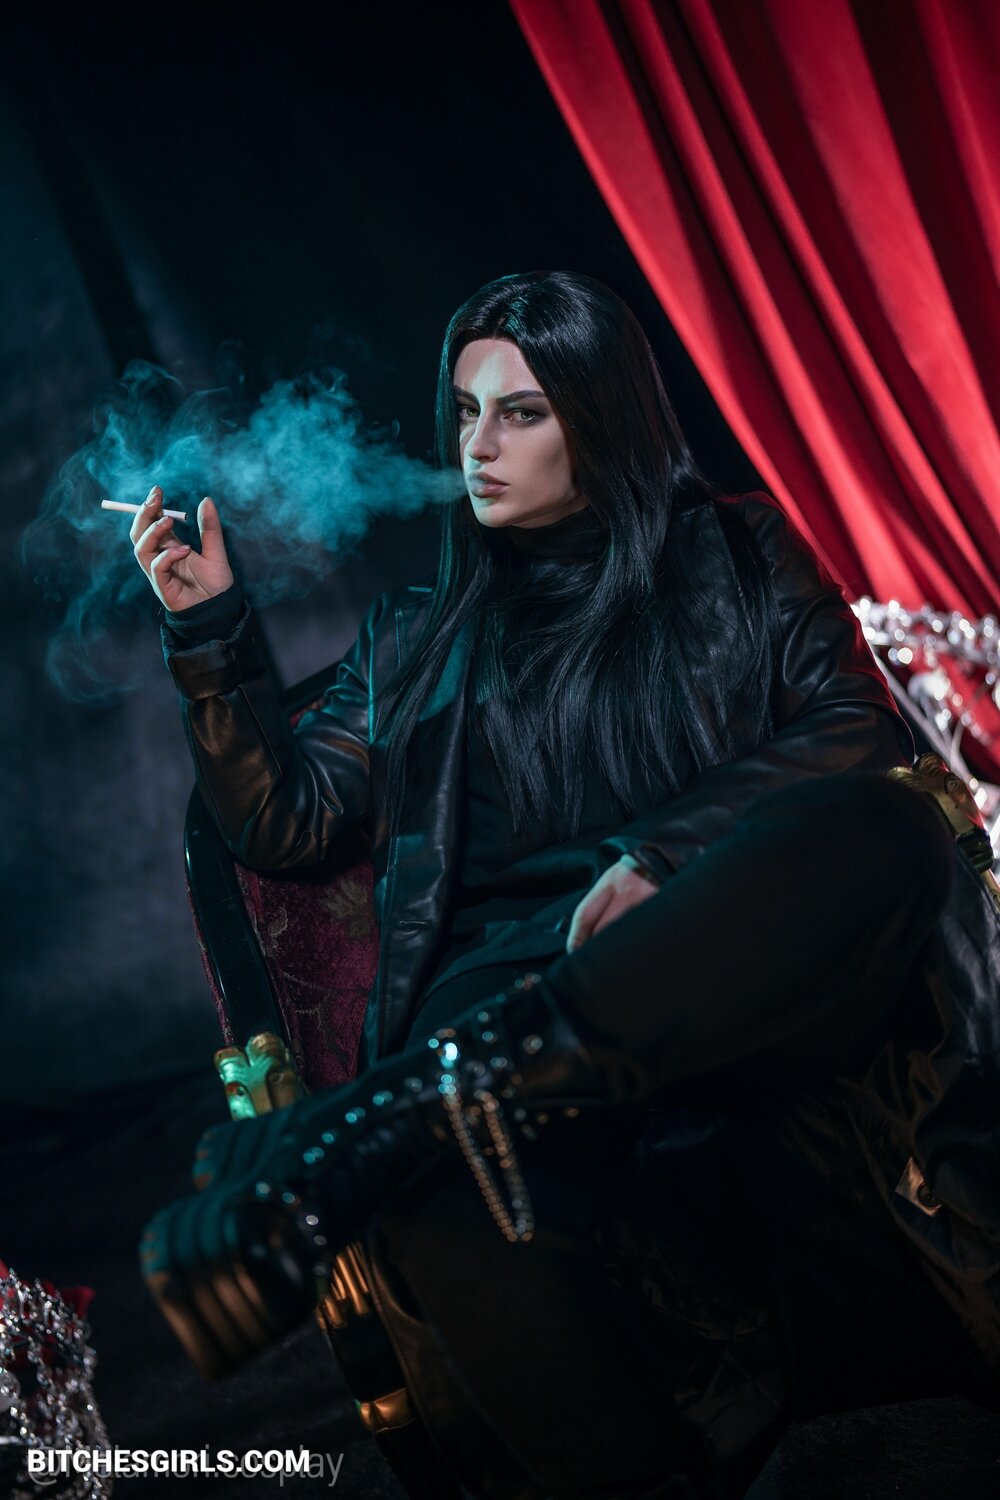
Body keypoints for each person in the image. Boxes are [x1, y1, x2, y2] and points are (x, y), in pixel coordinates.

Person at [134, 272, 974, 1499]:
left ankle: (396, 1113)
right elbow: (282, 821)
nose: (477, 446)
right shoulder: (414, 633)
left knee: (888, 827)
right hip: (506, 996)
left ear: (602, 414)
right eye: (464, 413)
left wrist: (661, 859)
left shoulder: (739, 551)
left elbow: (854, 729)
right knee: (440, 1186)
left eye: (520, 412)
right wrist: (210, 635)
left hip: (722, 973)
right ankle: (441, 1116)